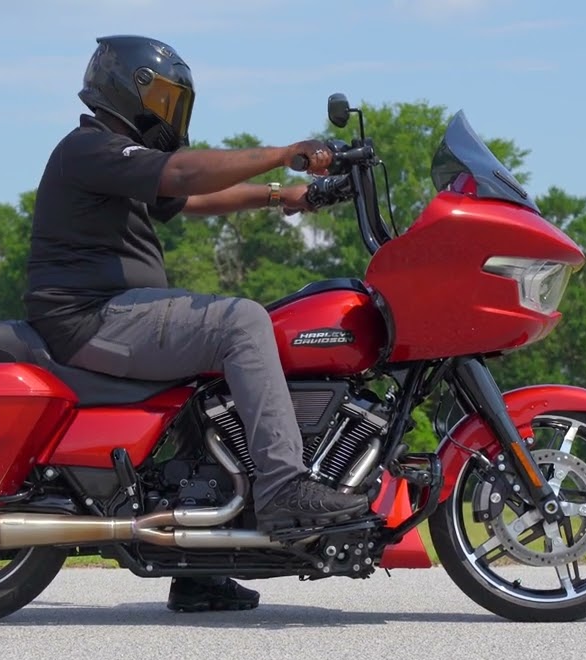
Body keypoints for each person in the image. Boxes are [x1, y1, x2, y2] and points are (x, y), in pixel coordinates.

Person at [23, 35, 371, 613]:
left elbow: (188, 201)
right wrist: (285, 153)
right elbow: (184, 176)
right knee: (242, 323)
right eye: (163, 97)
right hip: (89, 317)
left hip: (111, 313)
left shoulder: (120, 159)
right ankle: (284, 485)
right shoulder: (91, 147)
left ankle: (202, 569)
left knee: (213, 385)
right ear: (128, 89)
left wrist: (283, 197)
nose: (170, 111)